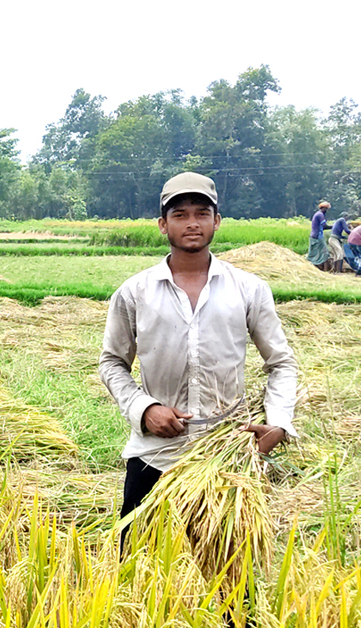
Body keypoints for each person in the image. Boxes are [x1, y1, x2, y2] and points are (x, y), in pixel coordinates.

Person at [99, 172, 298, 528]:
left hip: (227, 455)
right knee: (138, 558)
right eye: (180, 215)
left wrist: (278, 423)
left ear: (216, 221)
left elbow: (281, 363)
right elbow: (112, 363)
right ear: (163, 225)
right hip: (155, 454)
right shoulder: (134, 292)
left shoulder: (249, 289)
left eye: (202, 214)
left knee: (230, 561)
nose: (192, 223)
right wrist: (145, 409)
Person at [307, 201, 331, 270]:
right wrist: (334, 226)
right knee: (325, 253)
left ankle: (316, 267)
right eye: (326, 209)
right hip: (317, 237)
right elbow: (324, 226)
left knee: (314, 253)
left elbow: (322, 227)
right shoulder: (320, 215)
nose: (326, 211)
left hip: (314, 236)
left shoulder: (317, 214)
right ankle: (325, 270)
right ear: (323, 208)